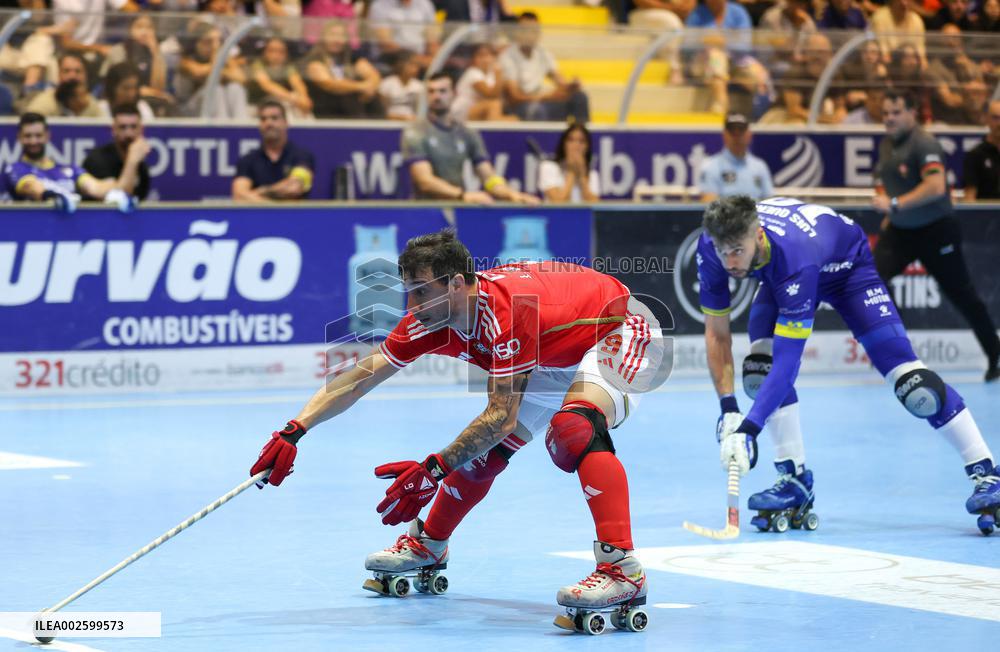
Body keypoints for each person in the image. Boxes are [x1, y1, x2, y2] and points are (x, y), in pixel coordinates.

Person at [248, 229, 664, 627]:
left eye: (422, 291)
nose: (412, 304)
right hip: (550, 355)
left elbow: (500, 417)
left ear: (457, 285)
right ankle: (428, 544)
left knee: (574, 428)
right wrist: (295, 429)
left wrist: (432, 470)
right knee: (479, 456)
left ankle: (621, 568)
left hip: (618, 329)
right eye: (408, 290)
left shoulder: (509, 312)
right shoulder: (430, 318)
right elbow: (361, 375)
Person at [699, 195, 1000, 535]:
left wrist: (749, 429)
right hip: (779, 272)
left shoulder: (795, 255)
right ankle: (794, 480)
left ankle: (987, 472)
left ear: (758, 236)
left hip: (846, 271)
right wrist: (728, 408)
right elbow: (717, 334)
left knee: (916, 388)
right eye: (722, 252)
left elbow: (788, 363)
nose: (729, 262)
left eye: (737, 251)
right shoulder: (713, 244)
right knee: (759, 373)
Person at [871, 89, 1000, 381]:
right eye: (885, 114)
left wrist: (894, 204)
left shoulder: (924, 143)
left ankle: (996, 354)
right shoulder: (887, 146)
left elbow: (936, 186)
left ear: (912, 114)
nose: (889, 119)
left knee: (962, 294)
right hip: (901, 230)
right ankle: (899, 352)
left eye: (896, 112)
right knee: (872, 279)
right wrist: (893, 215)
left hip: (936, 231)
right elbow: (892, 183)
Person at [402, 73, 537, 204]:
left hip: (456, 209)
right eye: (431, 91)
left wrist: (513, 194)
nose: (436, 96)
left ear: (454, 94)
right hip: (424, 210)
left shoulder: (467, 133)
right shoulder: (415, 131)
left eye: (442, 91)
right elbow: (424, 181)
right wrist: (463, 195)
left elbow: (488, 177)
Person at [2, 112, 136, 213]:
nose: (33, 141)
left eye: (38, 136)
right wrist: (58, 197)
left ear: (47, 136)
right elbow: (33, 188)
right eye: (28, 136)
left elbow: (94, 187)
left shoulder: (70, 170)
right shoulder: (15, 169)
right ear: (19, 138)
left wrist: (114, 193)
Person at [499, 12, 590, 123]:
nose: (530, 35)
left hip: (542, 102)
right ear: (517, 32)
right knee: (537, 110)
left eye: (534, 30)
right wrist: (546, 97)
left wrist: (571, 86)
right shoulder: (507, 57)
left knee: (579, 97)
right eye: (526, 30)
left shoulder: (542, 52)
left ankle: (582, 136)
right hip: (520, 107)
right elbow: (515, 97)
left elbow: (560, 81)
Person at [232, 99, 315, 201]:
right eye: (263, 119)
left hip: (293, 216)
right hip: (258, 217)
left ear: (286, 123)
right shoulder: (248, 160)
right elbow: (239, 196)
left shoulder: (302, 156)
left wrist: (262, 191)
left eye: (274, 118)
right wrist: (273, 200)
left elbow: (294, 188)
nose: (269, 123)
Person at [303, 20, 383, 119]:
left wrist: (370, 88)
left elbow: (374, 76)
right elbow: (329, 84)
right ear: (322, 37)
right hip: (327, 113)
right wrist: (361, 87)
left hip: (355, 112)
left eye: (341, 36)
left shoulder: (353, 59)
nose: (337, 40)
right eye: (332, 35)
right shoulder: (314, 60)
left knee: (375, 99)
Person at [82, 103, 152, 201]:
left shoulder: (141, 164)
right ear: (113, 130)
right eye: (123, 127)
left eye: (133, 127)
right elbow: (119, 198)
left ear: (141, 130)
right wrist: (131, 162)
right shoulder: (97, 160)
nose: (128, 134)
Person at [698, 112, 773, 201]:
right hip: (725, 215)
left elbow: (770, 202)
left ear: (749, 135)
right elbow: (709, 205)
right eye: (733, 133)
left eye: (741, 132)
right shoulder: (710, 167)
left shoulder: (760, 167)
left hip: (756, 214)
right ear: (724, 135)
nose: (737, 138)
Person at [248, 37, 313, 119]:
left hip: (286, 101)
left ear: (286, 54)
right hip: (259, 105)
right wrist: (294, 98)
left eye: (280, 52)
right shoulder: (258, 64)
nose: (276, 55)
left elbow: (297, 83)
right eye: (271, 51)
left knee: (304, 112)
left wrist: (304, 97)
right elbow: (267, 85)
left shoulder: (288, 67)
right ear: (265, 52)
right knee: (283, 110)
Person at [24, 51, 101, 118]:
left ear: (86, 76)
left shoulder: (91, 103)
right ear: (58, 75)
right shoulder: (44, 103)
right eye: (67, 71)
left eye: (78, 71)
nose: (72, 76)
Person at [452, 43, 515, 122]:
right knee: (494, 104)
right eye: (481, 56)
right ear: (473, 59)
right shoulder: (472, 73)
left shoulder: (490, 74)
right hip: (464, 111)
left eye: (489, 55)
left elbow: (503, 96)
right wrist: (498, 75)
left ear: (494, 58)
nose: (485, 59)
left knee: (513, 118)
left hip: (482, 111)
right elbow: (492, 96)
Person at [539, 122, 600, 203]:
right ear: (564, 144)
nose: (576, 145)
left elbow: (594, 207)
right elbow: (558, 203)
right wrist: (571, 172)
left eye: (581, 141)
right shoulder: (548, 167)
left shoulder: (593, 174)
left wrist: (582, 176)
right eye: (571, 140)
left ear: (587, 147)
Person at [962, 99, 1000, 200]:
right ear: (987, 119)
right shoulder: (975, 155)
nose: (999, 123)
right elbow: (970, 196)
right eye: (996, 118)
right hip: (986, 215)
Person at [378, 50, 423, 121]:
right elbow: (382, 111)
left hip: (412, 122)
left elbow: (420, 111)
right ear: (401, 64)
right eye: (411, 64)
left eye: (417, 65)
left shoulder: (419, 86)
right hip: (390, 122)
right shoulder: (387, 83)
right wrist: (400, 118)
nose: (415, 68)